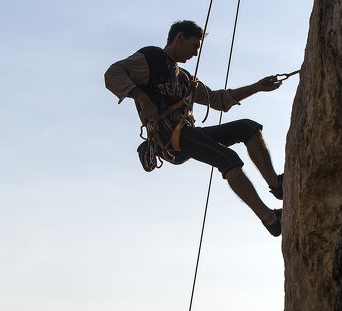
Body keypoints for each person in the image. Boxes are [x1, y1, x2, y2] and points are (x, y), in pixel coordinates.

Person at [104, 20, 284, 236]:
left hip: (186, 134)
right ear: (179, 38)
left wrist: (257, 87)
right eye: (194, 46)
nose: (195, 53)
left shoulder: (185, 78)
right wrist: (142, 98)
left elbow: (219, 100)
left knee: (249, 128)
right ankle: (270, 219)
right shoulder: (151, 58)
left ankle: (276, 184)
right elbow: (113, 73)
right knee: (227, 158)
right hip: (168, 136)